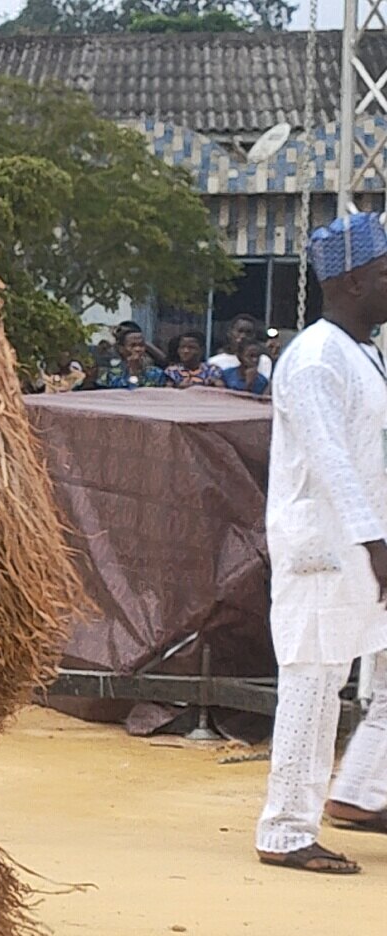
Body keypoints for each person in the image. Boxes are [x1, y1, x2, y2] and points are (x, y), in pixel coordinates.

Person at [256, 213, 387, 875]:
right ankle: (285, 830)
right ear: (355, 280)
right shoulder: (314, 358)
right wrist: (374, 542)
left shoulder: (365, 352)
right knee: (313, 681)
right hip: (325, 548)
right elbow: (332, 460)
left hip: (366, 541)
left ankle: (361, 790)